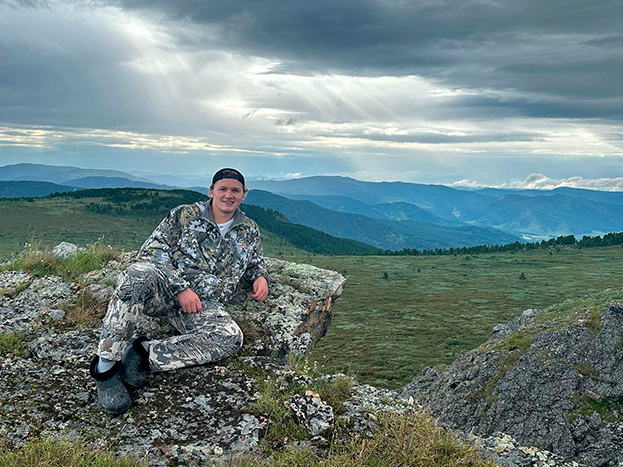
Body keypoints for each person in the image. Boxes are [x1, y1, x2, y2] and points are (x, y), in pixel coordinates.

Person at [89, 168, 269, 415]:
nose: (229, 195)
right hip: (165, 291)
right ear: (211, 191)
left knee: (230, 338)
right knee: (135, 275)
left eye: (235, 191)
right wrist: (181, 288)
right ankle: (106, 368)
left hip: (204, 304)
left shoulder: (249, 229)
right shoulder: (184, 215)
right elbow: (153, 251)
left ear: (243, 195)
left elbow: (255, 260)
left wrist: (260, 276)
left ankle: (143, 354)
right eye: (223, 189)